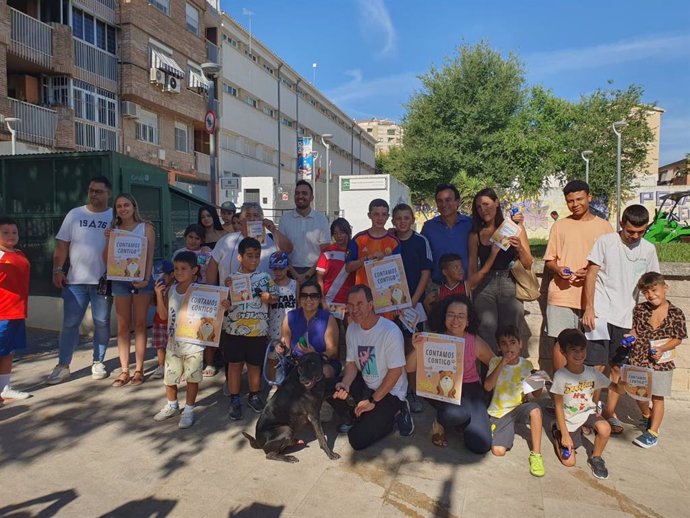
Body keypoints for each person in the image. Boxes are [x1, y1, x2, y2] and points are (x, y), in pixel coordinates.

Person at [582, 204, 659, 433]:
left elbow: (651, 287)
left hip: (628, 319)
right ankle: (589, 412)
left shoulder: (648, 250)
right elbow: (591, 275)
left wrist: (640, 325)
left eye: (640, 232)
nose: (635, 236)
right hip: (601, 314)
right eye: (630, 231)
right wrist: (588, 308)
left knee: (618, 368)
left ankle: (608, 413)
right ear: (621, 224)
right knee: (595, 366)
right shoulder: (605, 242)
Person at [329, 285, 414, 450]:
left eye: (359, 304)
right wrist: (346, 383)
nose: (355, 310)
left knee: (357, 439)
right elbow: (352, 363)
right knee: (330, 388)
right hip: (367, 382)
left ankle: (398, 412)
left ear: (370, 304)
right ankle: (359, 415)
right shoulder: (352, 328)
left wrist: (372, 401)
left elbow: (395, 371)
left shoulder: (390, 331)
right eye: (351, 305)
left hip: (390, 391)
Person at [47, 177, 114, 385]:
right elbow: (61, 245)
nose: (94, 194)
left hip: (103, 280)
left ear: (108, 193)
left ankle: (98, 362)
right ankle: (63, 365)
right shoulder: (75, 214)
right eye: (91, 190)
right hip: (75, 282)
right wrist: (58, 269)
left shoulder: (115, 215)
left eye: (99, 191)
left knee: (101, 322)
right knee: (69, 323)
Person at [152, 252, 229, 428]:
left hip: (194, 345)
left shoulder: (203, 291)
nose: (179, 272)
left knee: (193, 379)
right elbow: (163, 316)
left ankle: (189, 409)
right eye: (176, 269)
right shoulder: (171, 290)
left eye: (184, 269)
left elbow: (213, 315)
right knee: (169, 378)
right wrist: (158, 295)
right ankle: (172, 405)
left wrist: (224, 306)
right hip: (173, 344)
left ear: (194, 270)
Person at [544, 180, 613, 372]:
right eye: (570, 201)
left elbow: (611, 263)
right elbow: (549, 260)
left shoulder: (605, 227)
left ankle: (587, 394)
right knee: (561, 342)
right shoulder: (560, 226)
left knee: (595, 345)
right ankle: (561, 388)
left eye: (579, 199)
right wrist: (559, 270)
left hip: (595, 297)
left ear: (589, 197)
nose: (575, 204)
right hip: (562, 296)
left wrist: (591, 271)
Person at [416, 295, 495, 453]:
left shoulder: (474, 342)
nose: (455, 320)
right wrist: (417, 347)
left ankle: (460, 422)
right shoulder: (434, 338)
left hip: (470, 388)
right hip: (440, 389)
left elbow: (494, 363)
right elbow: (409, 368)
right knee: (458, 412)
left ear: (468, 320)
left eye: (461, 316)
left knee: (481, 445)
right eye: (451, 314)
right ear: (444, 316)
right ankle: (440, 423)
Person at [550, 328, 627, 480]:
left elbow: (617, 388)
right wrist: (565, 435)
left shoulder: (592, 372)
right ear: (563, 352)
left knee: (605, 428)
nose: (579, 354)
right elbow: (558, 406)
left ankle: (596, 457)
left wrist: (625, 383)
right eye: (573, 350)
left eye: (582, 350)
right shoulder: (561, 376)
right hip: (568, 418)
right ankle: (557, 433)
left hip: (587, 412)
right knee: (569, 462)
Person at [627, 272, 686, 448]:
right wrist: (629, 337)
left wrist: (662, 349)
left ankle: (653, 432)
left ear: (664, 287)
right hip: (639, 358)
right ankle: (646, 415)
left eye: (654, 290)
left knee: (658, 398)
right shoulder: (639, 310)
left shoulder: (676, 313)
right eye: (646, 292)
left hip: (662, 362)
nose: (651, 295)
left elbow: (678, 338)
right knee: (639, 394)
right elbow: (635, 331)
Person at [469, 188, 533, 351]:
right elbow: (472, 270)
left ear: (497, 203)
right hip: (484, 286)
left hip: (509, 281)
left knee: (511, 332)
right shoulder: (475, 235)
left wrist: (519, 248)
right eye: (478, 207)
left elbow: (528, 263)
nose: (483, 209)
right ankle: (490, 372)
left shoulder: (513, 227)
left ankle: (512, 373)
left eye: (486, 204)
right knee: (485, 331)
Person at [221, 237, 278, 420]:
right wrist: (226, 302)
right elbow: (226, 303)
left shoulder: (265, 278)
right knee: (235, 365)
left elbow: (275, 298)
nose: (254, 260)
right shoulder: (231, 279)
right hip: (234, 330)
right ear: (240, 257)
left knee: (254, 366)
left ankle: (254, 395)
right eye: (249, 256)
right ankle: (234, 399)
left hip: (257, 330)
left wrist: (268, 297)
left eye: (257, 256)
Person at [106, 193, 156, 388]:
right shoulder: (114, 230)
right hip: (120, 279)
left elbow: (150, 254)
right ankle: (124, 369)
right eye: (119, 206)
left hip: (141, 279)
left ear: (134, 207)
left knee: (141, 324)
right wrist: (108, 239)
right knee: (123, 326)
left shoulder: (147, 227)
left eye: (126, 205)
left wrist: (145, 278)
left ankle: (139, 369)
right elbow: (108, 258)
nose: (123, 209)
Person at [484, 326, 544, 477]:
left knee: (535, 409)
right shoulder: (494, 362)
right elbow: (487, 386)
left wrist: (539, 378)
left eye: (512, 342)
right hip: (500, 413)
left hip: (518, 408)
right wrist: (501, 364)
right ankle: (495, 429)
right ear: (498, 347)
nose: (508, 347)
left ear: (520, 344)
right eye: (503, 343)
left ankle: (536, 455)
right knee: (498, 451)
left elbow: (536, 395)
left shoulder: (526, 365)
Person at [390, 203, 433, 413]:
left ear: (412, 219)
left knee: (414, 348)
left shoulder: (420, 241)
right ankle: (393, 391)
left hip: (414, 306)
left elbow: (426, 273)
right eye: (398, 218)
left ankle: (413, 391)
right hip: (391, 306)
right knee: (392, 347)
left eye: (406, 218)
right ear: (393, 220)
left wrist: (414, 300)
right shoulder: (389, 241)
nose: (402, 222)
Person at [207, 202, 293, 284]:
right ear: (241, 220)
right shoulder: (227, 240)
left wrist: (274, 230)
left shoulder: (272, 239)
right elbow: (213, 264)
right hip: (232, 296)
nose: (252, 219)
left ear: (262, 219)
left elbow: (288, 249)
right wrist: (214, 291)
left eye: (256, 215)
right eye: (248, 215)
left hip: (266, 296)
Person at [280, 281, 340, 380]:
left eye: (313, 296)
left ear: (320, 298)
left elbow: (333, 351)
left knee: (324, 371)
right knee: (287, 372)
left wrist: (315, 356)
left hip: (323, 361)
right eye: (304, 295)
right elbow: (285, 346)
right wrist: (280, 347)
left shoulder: (328, 318)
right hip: (297, 361)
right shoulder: (290, 317)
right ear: (299, 299)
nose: (308, 299)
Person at [0, 217, 30, 400]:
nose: (11, 235)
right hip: (2, 313)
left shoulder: (19, 253)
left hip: (17, 311)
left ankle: (4, 388)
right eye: (5, 232)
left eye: (14, 232)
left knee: (8, 351)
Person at [279, 180, 330, 284]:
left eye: (304, 193)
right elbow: (281, 250)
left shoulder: (321, 219)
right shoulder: (285, 219)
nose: (300, 196)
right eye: (297, 193)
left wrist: (307, 275)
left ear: (312, 198)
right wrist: (295, 275)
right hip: (290, 273)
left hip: (315, 273)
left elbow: (325, 251)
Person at [421, 184, 473, 285]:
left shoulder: (470, 224)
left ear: (457, 202)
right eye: (440, 201)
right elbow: (422, 257)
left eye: (448, 200)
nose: (444, 204)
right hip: (438, 287)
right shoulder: (428, 227)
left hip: (466, 286)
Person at [346, 199, 400, 287]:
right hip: (363, 293)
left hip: (385, 292)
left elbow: (398, 270)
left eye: (384, 214)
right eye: (376, 214)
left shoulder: (394, 242)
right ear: (369, 215)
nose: (380, 218)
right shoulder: (359, 239)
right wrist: (367, 258)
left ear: (388, 216)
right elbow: (348, 268)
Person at [316, 217, 355, 307]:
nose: (339, 236)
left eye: (342, 232)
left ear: (348, 232)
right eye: (335, 233)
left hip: (349, 301)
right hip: (329, 300)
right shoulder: (327, 252)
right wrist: (322, 300)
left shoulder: (355, 251)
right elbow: (319, 279)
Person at [149, 260, 175, 380]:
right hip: (158, 322)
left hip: (172, 323)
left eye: (162, 275)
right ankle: (161, 365)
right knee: (160, 346)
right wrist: (158, 294)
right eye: (156, 276)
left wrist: (161, 295)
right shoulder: (156, 289)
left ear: (171, 275)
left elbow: (165, 314)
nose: (158, 279)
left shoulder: (174, 289)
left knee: (173, 346)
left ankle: (175, 366)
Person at [267, 251, 298, 342]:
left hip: (291, 325)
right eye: (275, 269)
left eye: (281, 268)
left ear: (288, 267)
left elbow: (298, 305)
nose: (278, 272)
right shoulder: (270, 285)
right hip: (273, 326)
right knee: (273, 354)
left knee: (291, 354)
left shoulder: (295, 284)